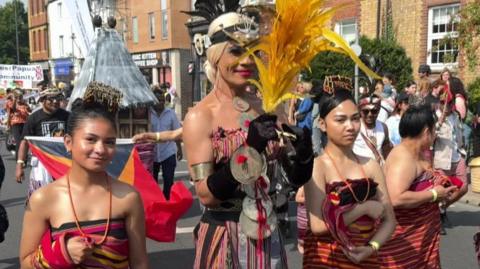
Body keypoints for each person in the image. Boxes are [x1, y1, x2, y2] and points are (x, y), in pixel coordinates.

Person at [182, 11, 313, 268]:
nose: (246, 61)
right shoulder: (200, 116)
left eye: (254, 51)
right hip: (224, 236)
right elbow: (206, 195)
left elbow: (292, 179)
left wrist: (304, 154)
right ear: (216, 56)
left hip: (268, 236)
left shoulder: (269, 105)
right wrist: (250, 149)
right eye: (235, 51)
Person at [19, 81, 149, 268]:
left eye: (110, 142)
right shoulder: (43, 199)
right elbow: (25, 263)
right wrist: (61, 252)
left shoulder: (128, 197)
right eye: (90, 139)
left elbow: (140, 263)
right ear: (68, 142)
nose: (101, 149)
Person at [303, 81, 396, 268]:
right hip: (326, 259)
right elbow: (319, 226)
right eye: (340, 120)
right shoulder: (317, 167)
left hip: (364, 259)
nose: (351, 127)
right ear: (322, 124)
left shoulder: (370, 165)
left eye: (355, 119)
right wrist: (363, 208)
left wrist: (372, 247)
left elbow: (390, 220)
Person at [379, 105, 459, 268]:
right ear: (426, 131)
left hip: (423, 240)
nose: (435, 134)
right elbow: (395, 198)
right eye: (434, 130)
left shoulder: (419, 153)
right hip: (405, 244)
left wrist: (442, 192)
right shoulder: (403, 158)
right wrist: (434, 194)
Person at [15, 88, 70, 197]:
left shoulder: (67, 116)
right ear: (43, 100)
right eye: (51, 99)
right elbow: (24, 142)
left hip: (62, 161)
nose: (55, 101)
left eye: (58, 98)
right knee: (39, 195)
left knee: (64, 196)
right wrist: (20, 165)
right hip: (41, 164)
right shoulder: (33, 118)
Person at [149, 89, 182, 200]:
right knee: (151, 183)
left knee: (168, 181)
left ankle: (166, 201)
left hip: (168, 152)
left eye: (163, 100)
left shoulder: (171, 114)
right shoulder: (147, 114)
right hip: (151, 154)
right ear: (153, 100)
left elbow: (177, 132)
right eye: (158, 100)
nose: (161, 102)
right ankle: (155, 201)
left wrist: (179, 149)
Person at [353, 94, 393, 166]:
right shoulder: (354, 127)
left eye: (374, 111)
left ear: (379, 111)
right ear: (360, 111)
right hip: (359, 170)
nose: (370, 114)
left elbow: (387, 152)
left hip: (379, 170)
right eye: (366, 111)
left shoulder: (384, 127)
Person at [5, 89, 31, 157]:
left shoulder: (24, 103)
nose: (19, 98)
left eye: (20, 97)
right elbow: (13, 109)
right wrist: (15, 99)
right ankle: (19, 158)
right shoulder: (10, 102)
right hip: (15, 124)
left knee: (24, 141)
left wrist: (27, 107)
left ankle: (24, 158)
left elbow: (30, 110)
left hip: (25, 124)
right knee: (19, 142)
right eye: (18, 96)